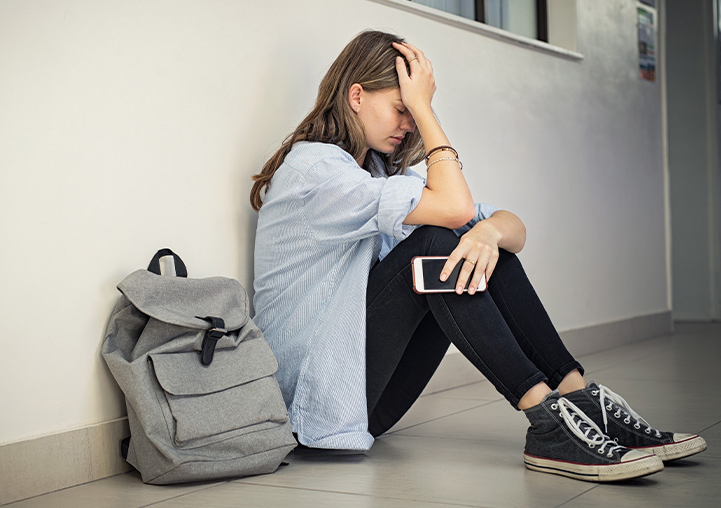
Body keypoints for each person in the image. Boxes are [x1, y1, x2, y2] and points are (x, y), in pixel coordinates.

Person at [249, 30, 706, 482]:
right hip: (313, 405)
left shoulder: (374, 173)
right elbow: (456, 209)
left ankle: (579, 400)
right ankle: (546, 420)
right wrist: (427, 111)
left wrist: (487, 232)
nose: (408, 123)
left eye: (414, 113)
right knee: (436, 244)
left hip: (363, 403)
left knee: (485, 248)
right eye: (402, 109)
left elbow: (512, 229)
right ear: (356, 96)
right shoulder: (315, 171)